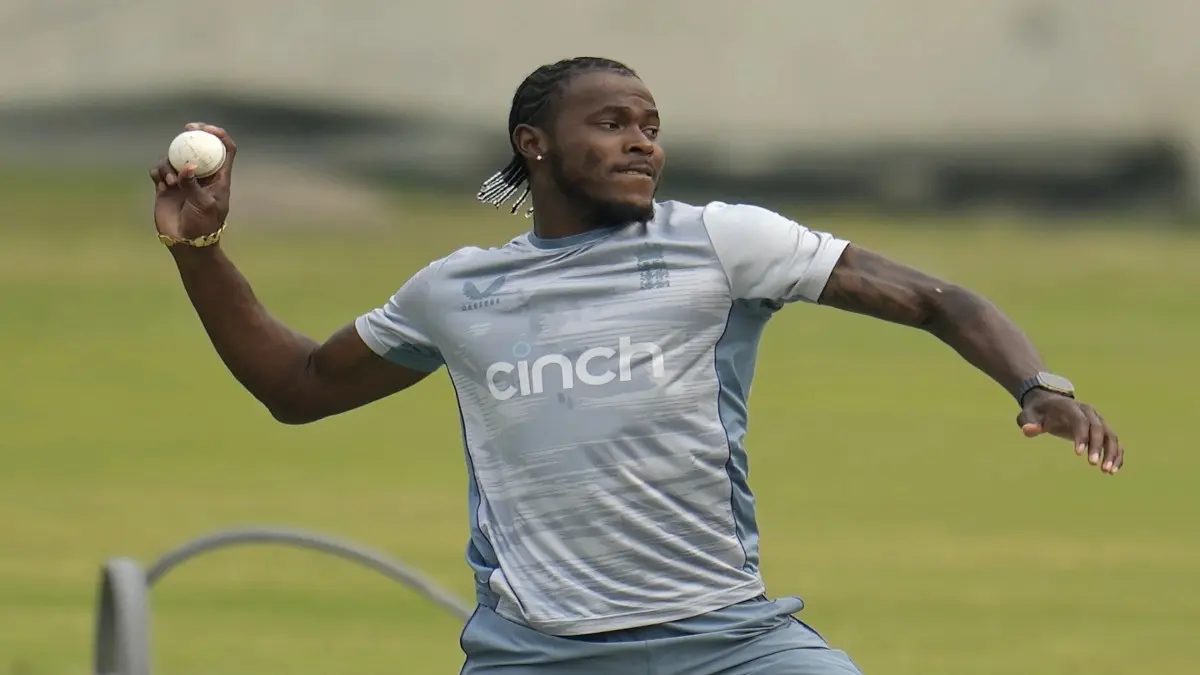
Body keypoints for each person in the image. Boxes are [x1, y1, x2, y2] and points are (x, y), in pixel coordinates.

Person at [149, 56, 1124, 675]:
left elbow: (936, 298)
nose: (640, 140)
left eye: (650, 124)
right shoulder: (458, 292)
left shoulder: (723, 243)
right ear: (534, 147)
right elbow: (298, 387)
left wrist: (1040, 386)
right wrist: (199, 251)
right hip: (536, 655)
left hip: (730, 644)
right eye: (611, 122)